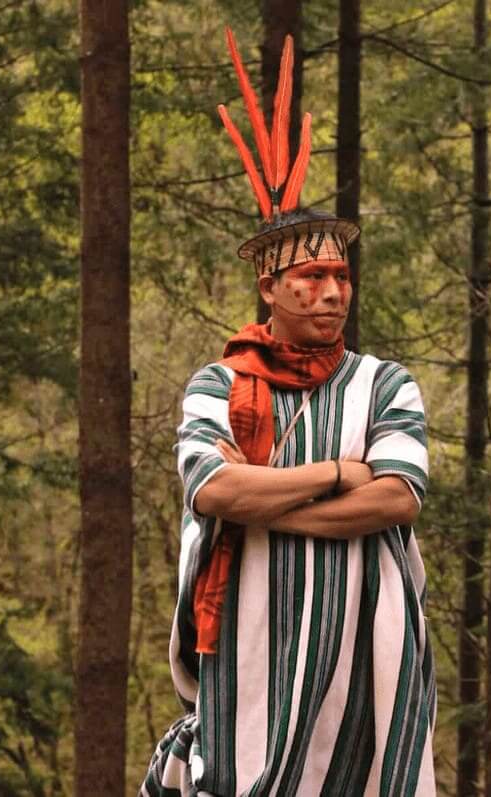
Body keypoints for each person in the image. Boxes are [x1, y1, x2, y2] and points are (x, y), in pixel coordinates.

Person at [141, 28, 436, 797]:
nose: (333, 292)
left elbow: (399, 495)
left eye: (341, 276)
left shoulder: (385, 384)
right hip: (248, 657)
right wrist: (339, 473)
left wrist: (268, 505)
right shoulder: (219, 383)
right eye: (311, 276)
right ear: (270, 288)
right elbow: (213, 491)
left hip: (371, 660)